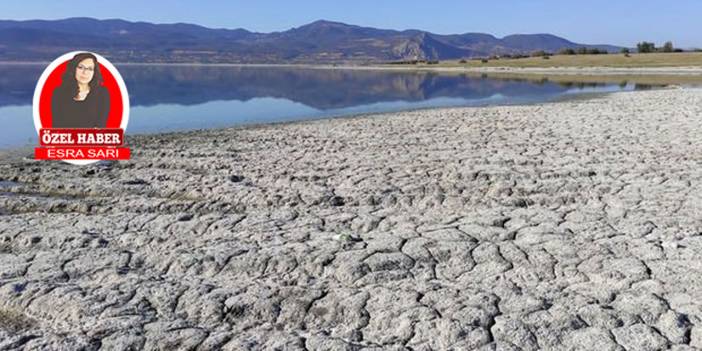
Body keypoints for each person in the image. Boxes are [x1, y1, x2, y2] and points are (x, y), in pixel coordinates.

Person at [51, 52, 110, 128]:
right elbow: (56, 126)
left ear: (94, 72)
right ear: (73, 69)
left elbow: (100, 126)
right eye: (80, 67)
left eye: (90, 69)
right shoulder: (59, 93)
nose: (85, 72)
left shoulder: (102, 93)